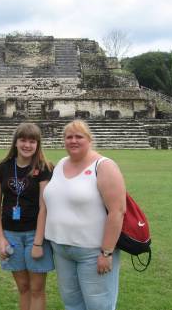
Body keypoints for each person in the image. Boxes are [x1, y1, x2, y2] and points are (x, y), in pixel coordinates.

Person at [43, 120, 126, 310]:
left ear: (89, 140)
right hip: (61, 248)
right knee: (72, 305)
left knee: (99, 305)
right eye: (68, 137)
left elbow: (117, 211)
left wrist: (106, 252)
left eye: (79, 136)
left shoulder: (104, 166)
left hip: (93, 251)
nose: (73, 141)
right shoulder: (62, 164)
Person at [0, 122, 54, 310]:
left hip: (35, 233)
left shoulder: (44, 168)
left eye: (32, 141)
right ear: (16, 143)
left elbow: (45, 207)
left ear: (38, 144)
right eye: (23, 140)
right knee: (24, 288)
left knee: (37, 289)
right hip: (11, 235)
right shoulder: (3, 168)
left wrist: (37, 242)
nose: (27, 145)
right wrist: (1, 238)